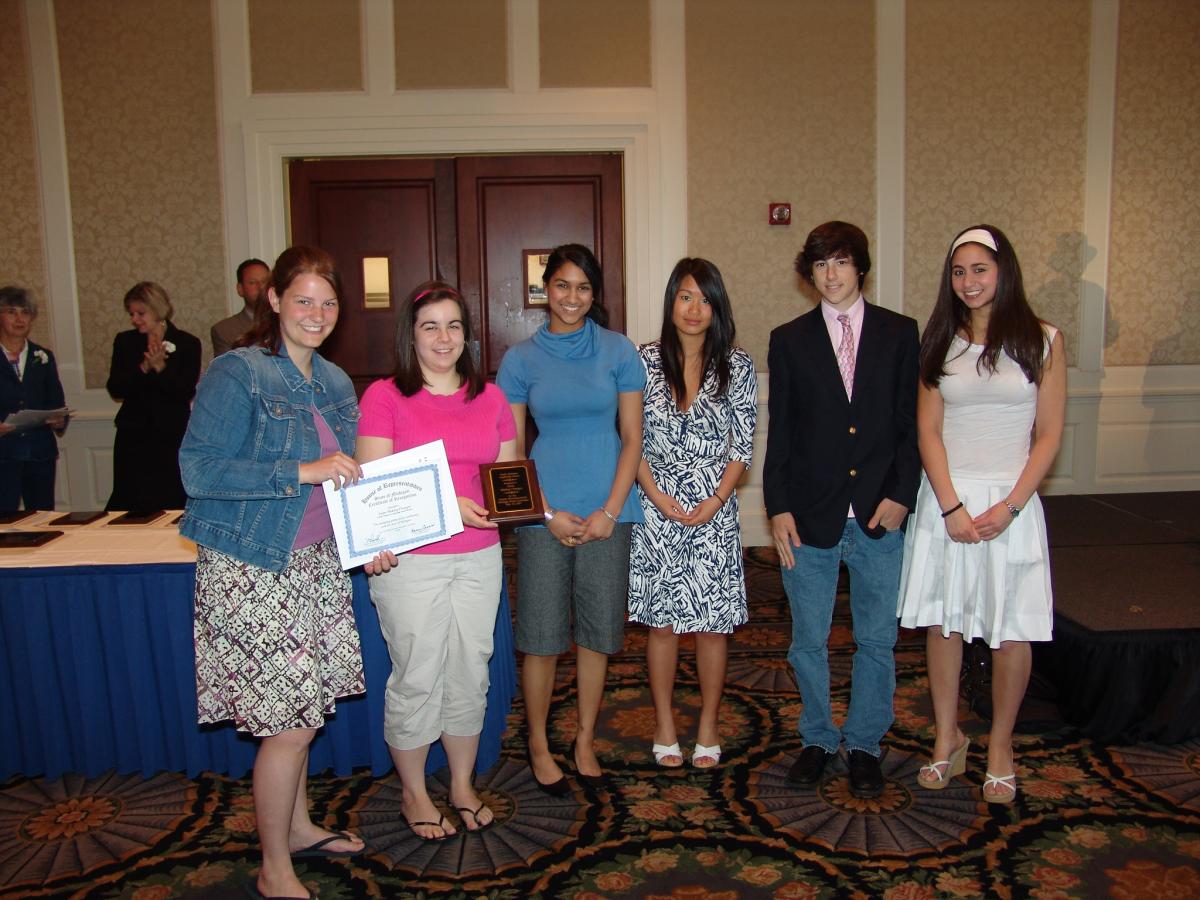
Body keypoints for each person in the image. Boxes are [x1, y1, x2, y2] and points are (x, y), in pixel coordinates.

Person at [179, 246, 366, 900]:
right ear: (276, 300)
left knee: (305, 712)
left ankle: (299, 828)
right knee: (289, 723)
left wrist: (373, 537)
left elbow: (350, 477)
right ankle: (273, 867)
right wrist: (301, 471)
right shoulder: (239, 372)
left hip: (316, 563)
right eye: (303, 299)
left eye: (328, 302)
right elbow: (198, 470)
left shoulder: (336, 383)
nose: (316, 313)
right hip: (254, 566)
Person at [897, 225, 1066, 804]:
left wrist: (1011, 506)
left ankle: (1000, 745)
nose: (968, 281)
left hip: (1010, 504)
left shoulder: (1044, 340)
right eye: (958, 271)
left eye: (979, 269)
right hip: (947, 502)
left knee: (1010, 629)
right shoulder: (940, 341)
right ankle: (947, 737)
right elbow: (928, 430)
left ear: (1003, 271)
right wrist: (950, 505)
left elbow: (1049, 434)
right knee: (944, 624)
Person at [764, 221, 920, 799]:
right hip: (809, 515)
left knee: (876, 640)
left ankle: (864, 744)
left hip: (881, 513)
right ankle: (817, 738)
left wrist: (902, 495)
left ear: (861, 267)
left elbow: (911, 426)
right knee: (808, 639)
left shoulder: (900, 333)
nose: (831, 274)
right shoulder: (789, 339)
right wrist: (778, 507)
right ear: (810, 273)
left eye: (841, 261)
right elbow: (782, 431)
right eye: (820, 264)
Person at [355, 281, 517, 840]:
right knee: (418, 674)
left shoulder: (490, 397)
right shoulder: (384, 397)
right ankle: (415, 792)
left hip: (480, 557)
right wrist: (451, 507)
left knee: (471, 670)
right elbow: (372, 490)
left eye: (453, 326)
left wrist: (513, 506)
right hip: (410, 563)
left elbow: (507, 477)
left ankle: (463, 786)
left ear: (467, 335)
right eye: (430, 326)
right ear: (412, 335)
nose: (443, 338)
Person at [496, 243, 645, 791]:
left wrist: (609, 511)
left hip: (609, 511)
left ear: (594, 293)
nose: (572, 297)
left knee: (597, 633)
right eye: (562, 285)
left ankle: (584, 737)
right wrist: (546, 513)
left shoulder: (619, 350)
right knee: (540, 635)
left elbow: (632, 439)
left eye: (583, 287)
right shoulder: (520, 360)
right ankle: (537, 741)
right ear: (545, 290)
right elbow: (511, 453)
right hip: (544, 515)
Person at [628, 258, 757, 769]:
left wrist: (716, 500)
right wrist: (656, 495)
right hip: (656, 506)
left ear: (717, 307)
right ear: (671, 302)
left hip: (713, 510)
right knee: (662, 626)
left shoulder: (737, 365)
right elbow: (631, 438)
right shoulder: (643, 361)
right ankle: (664, 723)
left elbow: (741, 446)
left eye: (705, 299)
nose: (694, 309)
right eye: (685, 297)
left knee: (711, 626)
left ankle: (707, 723)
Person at [105, 281, 201, 511]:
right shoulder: (125, 341)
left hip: (170, 435)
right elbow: (116, 388)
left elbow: (185, 391)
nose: (134, 320)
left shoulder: (187, 343)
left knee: (171, 498)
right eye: (131, 314)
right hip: (133, 435)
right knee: (130, 500)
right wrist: (144, 368)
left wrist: (161, 368)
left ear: (157, 310)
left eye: (140, 313)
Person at [0, 286, 68, 512]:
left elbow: (56, 401)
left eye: (25, 312)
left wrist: (59, 419)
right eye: (11, 312)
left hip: (39, 453)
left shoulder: (44, 356)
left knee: (42, 518)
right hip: (3, 452)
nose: (19, 319)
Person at [212, 258, 271, 357]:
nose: (261, 287)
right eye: (252, 282)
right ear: (240, 289)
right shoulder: (224, 330)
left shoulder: (287, 321)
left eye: (264, 282)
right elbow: (227, 366)